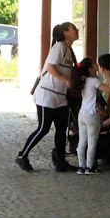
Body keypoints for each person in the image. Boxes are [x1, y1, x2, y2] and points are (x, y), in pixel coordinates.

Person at [16, 21, 78, 172]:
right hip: (47, 96)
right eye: (73, 28)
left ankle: (60, 161)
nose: (77, 30)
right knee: (43, 128)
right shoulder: (59, 47)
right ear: (66, 33)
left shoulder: (68, 49)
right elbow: (50, 67)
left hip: (60, 97)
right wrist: (65, 80)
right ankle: (22, 156)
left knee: (61, 129)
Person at [76, 53, 110, 175]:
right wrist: (109, 77)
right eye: (94, 64)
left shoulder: (83, 80)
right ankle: (90, 167)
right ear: (90, 68)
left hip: (81, 114)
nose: (97, 65)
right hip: (92, 116)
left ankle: (81, 167)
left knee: (82, 142)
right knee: (92, 142)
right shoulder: (94, 80)